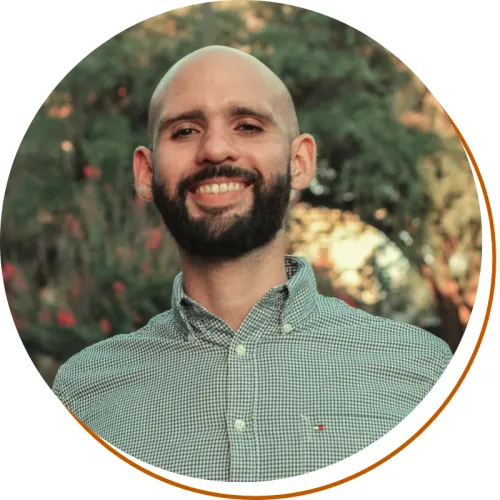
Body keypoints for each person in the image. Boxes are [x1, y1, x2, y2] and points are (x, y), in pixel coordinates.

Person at [52, 46, 452, 482]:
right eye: (185, 131)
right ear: (146, 173)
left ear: (300, 162)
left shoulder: (421, 373)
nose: (216, 149)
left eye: (247, 125)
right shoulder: (82, 396)